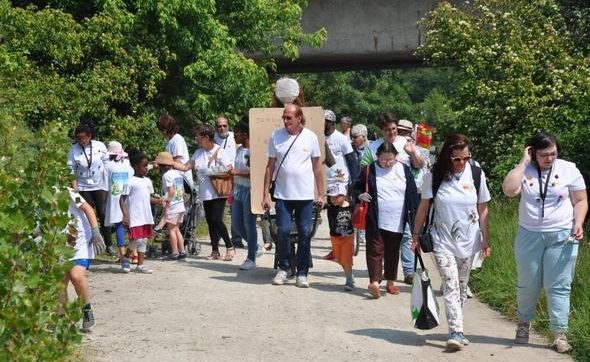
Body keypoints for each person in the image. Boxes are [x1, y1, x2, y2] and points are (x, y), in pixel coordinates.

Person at [502, 132, 587, 353]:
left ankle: (560, 333)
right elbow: (509, 190)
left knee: (558, 285)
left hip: (561, 234)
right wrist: (524, 161)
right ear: (532, 152)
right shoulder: (525, 169)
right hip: (529, 234)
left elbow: (580, 200)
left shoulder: (569, 169)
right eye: (544, 155)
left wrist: (578, 222)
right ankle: (523, 324)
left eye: (553, 154)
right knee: (527, 283)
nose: (549, 159)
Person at [411, 134, 491, 351]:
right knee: (450, 284)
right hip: (442, 240)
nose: (461, 163)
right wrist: (415, 235)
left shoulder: (476, 173)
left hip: (469, 240)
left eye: (466, 158)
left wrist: (486, 239)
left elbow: (483, 208)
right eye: (457, 159)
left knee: (463, 287)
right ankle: (455, 331)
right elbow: (424, 207)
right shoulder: (434, 175)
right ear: (448, 157)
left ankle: (459, 327)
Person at [262, 104, 325, 288]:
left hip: (304, 195)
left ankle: (302, 273)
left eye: (289, 117)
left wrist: (321, 194)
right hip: (283, 194)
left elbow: (317, 167)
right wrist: (265, 194)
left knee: (305, 233)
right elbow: (269, 166)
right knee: (283, 230)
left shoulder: (310, 137)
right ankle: (283, 268)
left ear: (299, 118)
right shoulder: (276, 136)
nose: (286, 120)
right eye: (284, 117)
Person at [354, 142, 419, 299]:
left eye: (390, 159)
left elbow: (411, 192)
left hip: (398, 219)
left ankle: (390, 282)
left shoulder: (403, 169)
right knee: (375, 249)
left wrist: (415, 216)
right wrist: (360, 195)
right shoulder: (369, 169)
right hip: (375, 218)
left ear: (396, 157)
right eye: (383, 160)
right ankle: (375, 283)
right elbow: (356, 187)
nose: (387, 163)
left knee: (392, 251)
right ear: (377, 157)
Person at [173, 124, 235, 261]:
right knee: (210, 221)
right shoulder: (198, 153)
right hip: (205, 192)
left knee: (216, 219)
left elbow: (229, 169)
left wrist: (209, 171)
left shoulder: (220, 152)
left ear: (207, 137)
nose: (196, 139)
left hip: (218, 191)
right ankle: (215, 251)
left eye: (198, 137)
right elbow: (185, 167)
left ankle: (230, 247)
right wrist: (169, 162)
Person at [64, 188, 106, 331]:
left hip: (79, 239)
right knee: (59, 282)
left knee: (76, 276)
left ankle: (86, 309)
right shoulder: (33, 196)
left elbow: (87, 208)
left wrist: (95, 231)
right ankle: (62, 319)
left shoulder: (66, 191)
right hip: (56, 242)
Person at [67, 122, 112, 255]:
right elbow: (71, 170)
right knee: (85, 215)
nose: (81, 141)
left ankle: (108, 244)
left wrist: (108, 185)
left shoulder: (99, 146)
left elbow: (107, 164)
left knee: (103, 213)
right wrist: (75, 190)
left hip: (99, 185)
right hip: (83, 186)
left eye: (84, 138)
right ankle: (88, 245)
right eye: (79, 138)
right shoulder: (73, 150)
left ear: (90, 136)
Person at [397, 119, 431, 285]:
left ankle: (409, 270)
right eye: (399, 131)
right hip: (397, 193)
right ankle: (395, 267)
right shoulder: (393, 147)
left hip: (416, 194)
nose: (402, 135)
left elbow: (420, 165)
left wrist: (411, 152)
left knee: (411, 232)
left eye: (405, 132)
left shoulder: (421, 150)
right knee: (398, 232)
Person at [322, 109, 359, 261]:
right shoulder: (317, 137)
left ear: (331, 122)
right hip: (324, 181)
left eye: (326, 121)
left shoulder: (341, 139)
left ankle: (346, 248)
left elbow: (352, 161)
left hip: (340, 181)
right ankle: (335, 248)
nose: (324, 124)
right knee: (331, 217)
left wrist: (355, 185)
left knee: (341, 216)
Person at [230, 117, 264, 270]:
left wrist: (237, 172)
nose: (234, 136)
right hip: (237, 190)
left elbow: (255, 173)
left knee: (249, 224)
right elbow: (234, 173)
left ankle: (251, 258)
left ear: (245, 134)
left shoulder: (253, 151)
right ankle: (256, 246)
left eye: (236, 133)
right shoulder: (238, 150)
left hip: (250, 191)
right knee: (237, 224)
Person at [120, 151, 159, 274]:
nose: (147, 168)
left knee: (144, 240)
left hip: (146, 215)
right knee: (136, 239)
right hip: (135, 216)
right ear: (135, 166)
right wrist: (125, 215)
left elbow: (147, 197)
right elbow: (122, 199)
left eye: (147, 165)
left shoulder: (148, 181)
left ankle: (140, 265)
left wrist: (160, 201)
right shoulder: (129, 181)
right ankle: (126, 257)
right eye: (144, 165)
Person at [103, 141, 134, 272]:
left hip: (115, 199)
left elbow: (104, 186)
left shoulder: (108, 166)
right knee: (131, 226)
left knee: (119, 226)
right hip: (128, 198)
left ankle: (122, 255)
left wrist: (103, 201)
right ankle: (134, 253)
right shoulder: (127, 165)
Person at [214, 115, 244, 249]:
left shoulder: (234, 137)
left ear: (228, 126)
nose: (222, 128)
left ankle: (236, 239)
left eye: (224, 125)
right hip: (218, 177)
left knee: (234, 207)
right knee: (218, 209)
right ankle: (217, 235)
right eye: (219, 126)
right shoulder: (213, 138)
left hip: (234, 176)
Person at [154, 151, 187, 260]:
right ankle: (182, 250)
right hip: (180, 205)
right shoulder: (178, 173)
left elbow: (171, 191)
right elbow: (181, 190)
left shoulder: (166, 175)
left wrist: (166, 200)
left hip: (173, 206)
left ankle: (175, 252)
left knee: (171, 230)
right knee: (177, 229)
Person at [326, 173, 355, 291]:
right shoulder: (331, 208)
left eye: (336, 196)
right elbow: (333, 223)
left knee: (347, 258)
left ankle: (349, 280)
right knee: (339, 258)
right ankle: (349, 274)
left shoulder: (351, 206)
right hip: (335, 237)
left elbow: (357, 216)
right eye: (331, 197)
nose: (333, 199)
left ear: (344, 195)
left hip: (348, 237)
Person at [157, 114, 193, 188]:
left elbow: (177, 161)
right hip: (174, 179)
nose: (161, 132)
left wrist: (161, 163)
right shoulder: (170, 141)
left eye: (162, 129)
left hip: (182, 179)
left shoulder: (177, 140)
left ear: (168, 129)